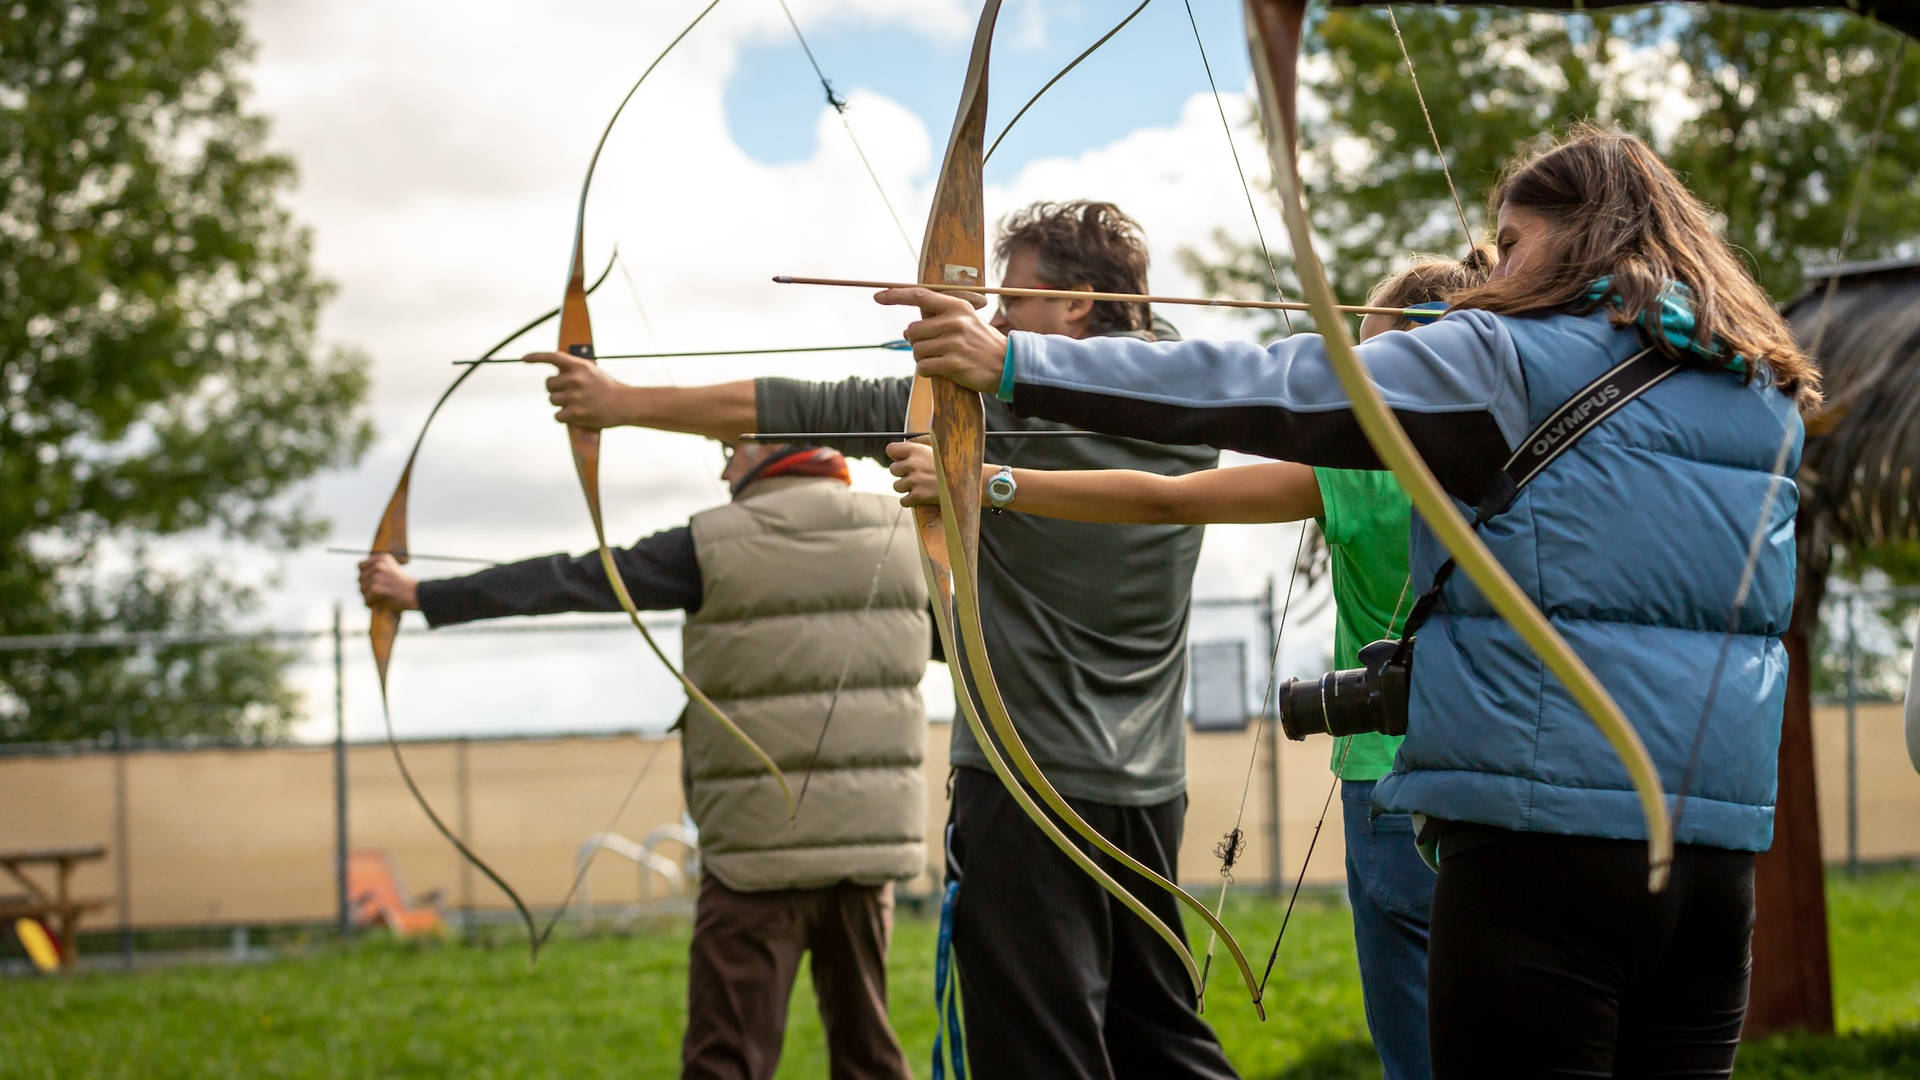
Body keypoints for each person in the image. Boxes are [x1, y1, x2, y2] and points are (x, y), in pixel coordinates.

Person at [883, 126, 1816, 1079]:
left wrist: (1016, 363)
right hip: (1710, 860)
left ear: (1575, 239)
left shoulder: (1502, 358)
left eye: (1511, 242)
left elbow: (1270, 382)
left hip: (1541, 850)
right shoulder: (1760, 384)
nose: (1491, 269)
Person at [531, 201, 1238, 1080]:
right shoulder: (1197, 405)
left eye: (1011, 301)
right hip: (1149, 788)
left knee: (1038, 1050)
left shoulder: (995, 422)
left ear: (1079, 305)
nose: (992, 319)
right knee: (1161, 1036)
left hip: (1027, 791)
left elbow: (810, 405)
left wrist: (619, 402)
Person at [888, 251, 1491, 1080]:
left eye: (1374, 361)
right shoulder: (1535, 458)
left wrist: (984, 481)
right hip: (1510, 784)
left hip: (1393, 785)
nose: (1361, 393)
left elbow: (1163, 501)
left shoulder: (1366, 469)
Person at [359, 440, 927, 1080]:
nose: (723, 467)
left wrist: (420, 593)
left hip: (756, 851)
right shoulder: (905, 535)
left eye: (732, 449)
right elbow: (959, 642)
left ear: (775, 443)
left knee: (726, 1060)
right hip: (868, 849)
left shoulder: (713, 542)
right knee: (868, 1055)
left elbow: (572, 578)